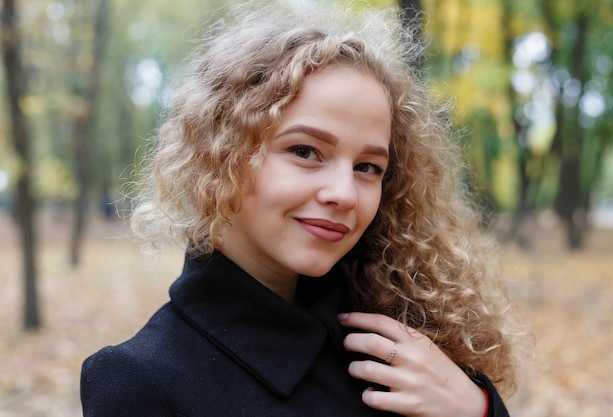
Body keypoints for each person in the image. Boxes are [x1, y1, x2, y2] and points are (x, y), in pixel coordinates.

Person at [81, 2, 521, 416]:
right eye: (306, 151)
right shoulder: (141, 380)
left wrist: (477, 409)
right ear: (222, 153)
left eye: (368, 166)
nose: (344, 194)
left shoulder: (409, 337)